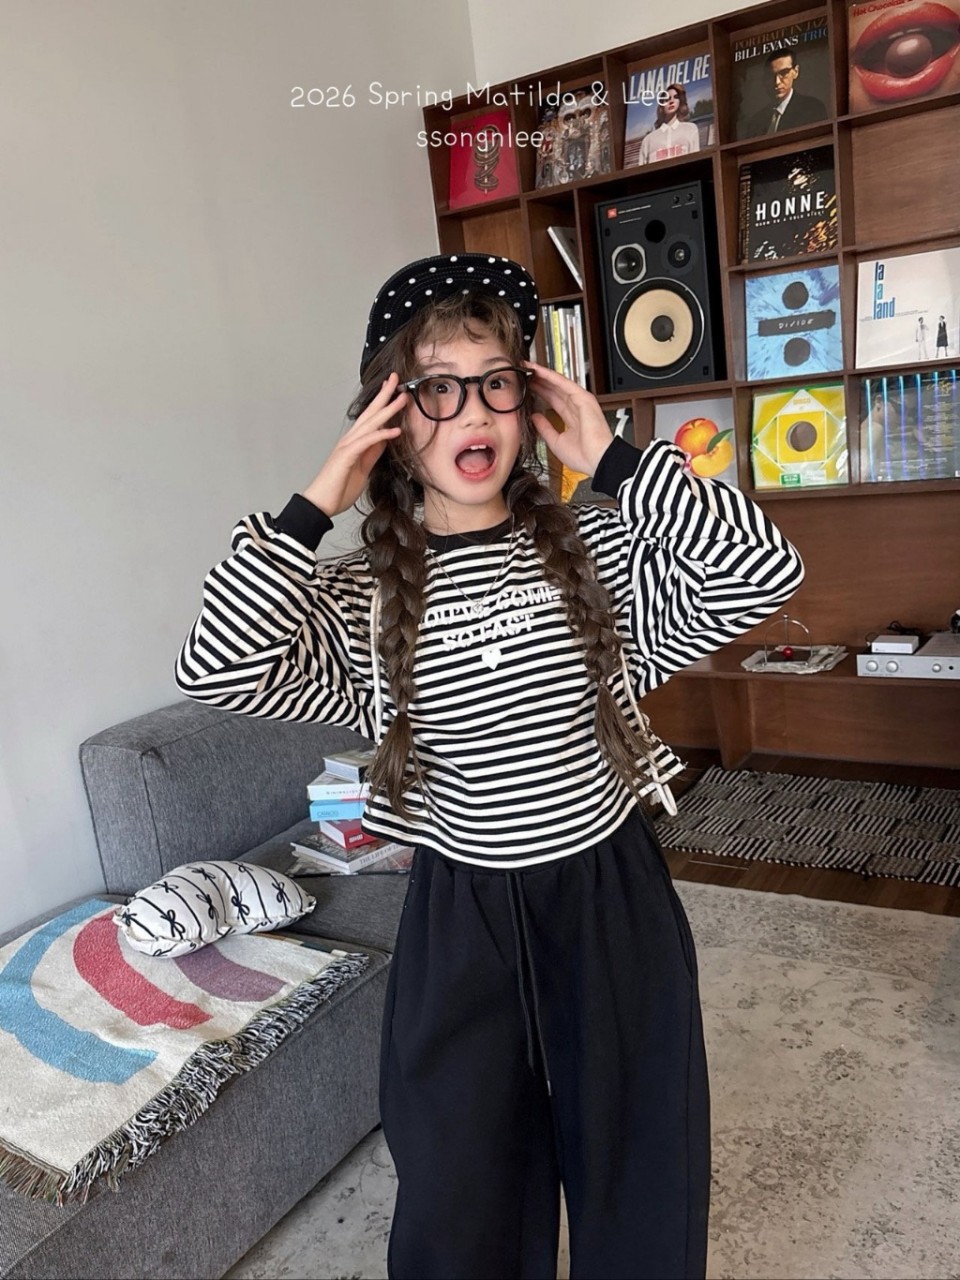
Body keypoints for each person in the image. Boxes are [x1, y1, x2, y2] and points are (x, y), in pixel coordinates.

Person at [175, 252, 805, 1280]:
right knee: (460, 1187)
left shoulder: (598, 549)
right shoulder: (360, 596)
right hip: (460, 912)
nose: (472, 411)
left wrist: (617, 459)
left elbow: (765, 569)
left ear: (529, 402)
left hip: (608, 896)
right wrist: (316, 499)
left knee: (640, 1161)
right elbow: (215, 664)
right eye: (437, 388)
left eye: (496, 382)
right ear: (393, 417)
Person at [746, 48, 827, 136]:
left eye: (784, 73)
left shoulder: (813, 109)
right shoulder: (756, 121)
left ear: (796, 71)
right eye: (771, 75)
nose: (777, 82)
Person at [637, 83, 701, 165]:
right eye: (667, 99)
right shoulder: (648, 140)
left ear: (680, 102)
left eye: (676, 97)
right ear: (662, 105)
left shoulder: (690, 129)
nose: (671, 101)